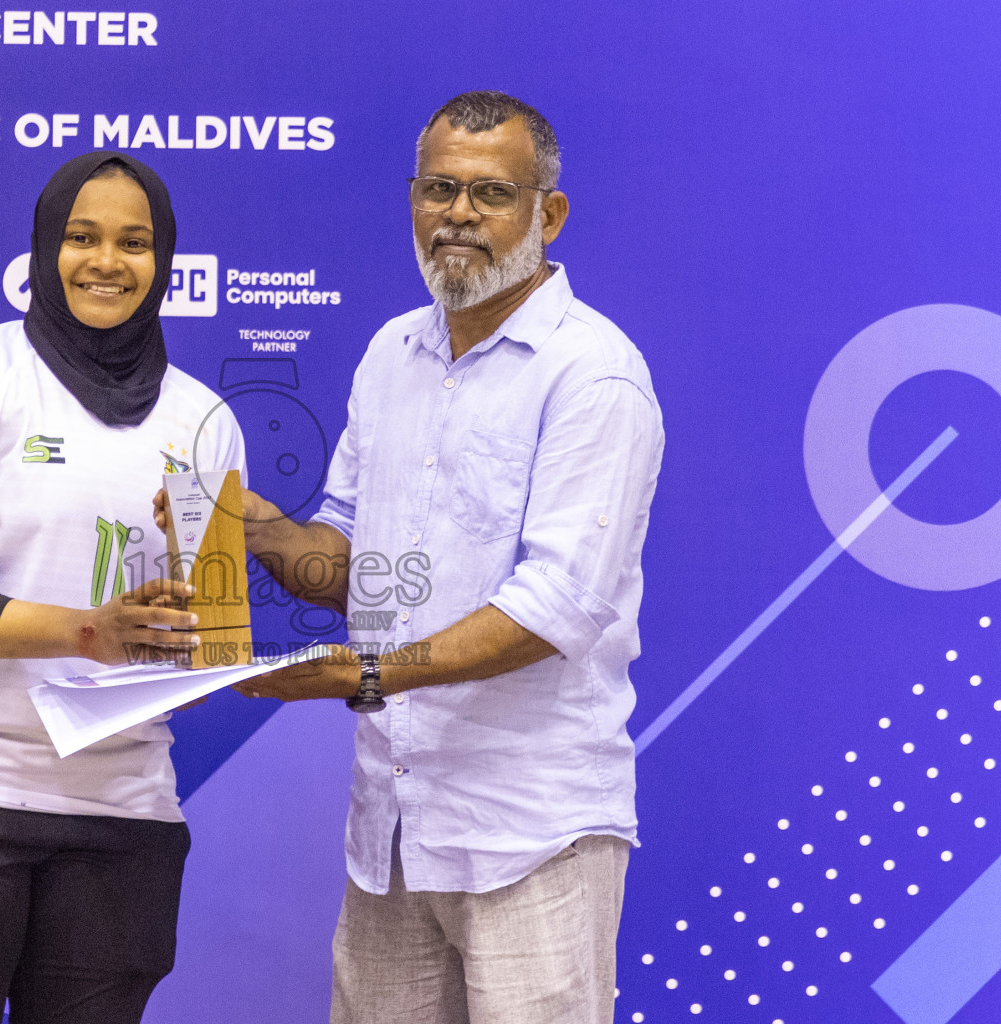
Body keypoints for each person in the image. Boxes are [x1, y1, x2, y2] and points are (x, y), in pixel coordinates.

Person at [228, 91, 664, 1024]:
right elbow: (350, 565)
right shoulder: (392, 353)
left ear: (547, 214)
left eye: (491, 193)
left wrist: (373, 672)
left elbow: (559, 605)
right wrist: (257, 530)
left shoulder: (595, 375)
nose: (458, 214)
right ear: (412, 200)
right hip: (391, 833)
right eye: (439, 189)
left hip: (533, 831)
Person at [0, 150, 245, 1024]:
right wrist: (86, 632)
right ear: (43, 248)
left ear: (164, 262)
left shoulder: (205, 422)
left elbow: (210, 636)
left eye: (135, 242)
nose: (107, 262)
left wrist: (204, 652)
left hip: (124, 812)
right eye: (82, 236)